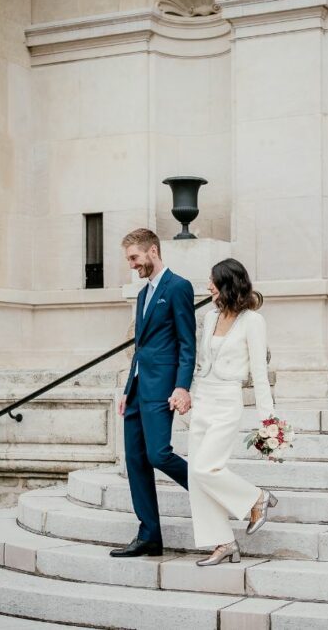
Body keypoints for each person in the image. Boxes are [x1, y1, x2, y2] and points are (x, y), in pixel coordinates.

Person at [185, 258, 278, 566]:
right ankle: (223, 542)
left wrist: (269, 421)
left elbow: (260, 374)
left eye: (212, 281)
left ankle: (256, 498)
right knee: (196, 476)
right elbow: (202, 362)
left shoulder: (253, 322)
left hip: (227, 401)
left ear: (228, 283)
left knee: (206, 467)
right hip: (204, 399)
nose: (208, 286)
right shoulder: (210, 317)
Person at [110, 228, 195, 558]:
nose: (132, 265)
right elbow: (140, 347)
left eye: (134, 257)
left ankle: (215, 493)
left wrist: (182, 385)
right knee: (135, 460)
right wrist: (127, 388)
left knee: (158, 454)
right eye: (129, 259)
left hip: (163, 388)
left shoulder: (178, 287)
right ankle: (149, 535)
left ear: (153, 251)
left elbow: (188, 343)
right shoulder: (144, 294)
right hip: (137, 390)